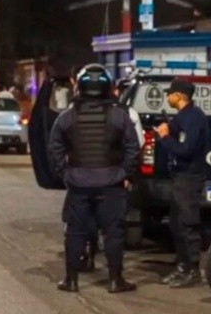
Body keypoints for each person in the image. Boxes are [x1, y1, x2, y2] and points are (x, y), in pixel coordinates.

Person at [48, 64, 141, 293]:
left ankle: (71, 280)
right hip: (111, 184)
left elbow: (54, 148)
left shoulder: (66, 117)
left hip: (79, 184)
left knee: (75, 232)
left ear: (79, 87)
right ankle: (115, 280)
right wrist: (125, 173)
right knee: (113, 233)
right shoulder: (119, 116)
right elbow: (133, 148)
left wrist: (65, 173)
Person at [156, 78, 209, 288]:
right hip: (180, 177)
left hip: (190, 177)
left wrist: (165, 137)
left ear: (178, 96)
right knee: (176, 224)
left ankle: (193, 269)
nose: (167, 97)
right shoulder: (182, 117)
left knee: (188, 224)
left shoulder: (194, 117)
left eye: (170, 93)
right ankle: (182, 266)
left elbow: (186, 149)